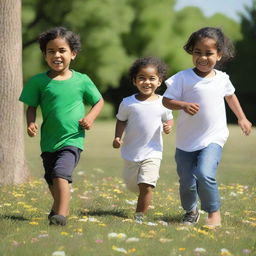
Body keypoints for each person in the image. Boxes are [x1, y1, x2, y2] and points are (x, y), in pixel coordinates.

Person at [162, 27, 252, 227]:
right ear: (191, 52)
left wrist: (242, 118)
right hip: (186, 141)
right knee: (187, 182)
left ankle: (213, 212)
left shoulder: (222, 79)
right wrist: (183, 105)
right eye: (197, 52)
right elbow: (166, 101)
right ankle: (190, 210)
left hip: (214, 137)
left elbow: (230, 96)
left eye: (209, 53)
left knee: (205, 173)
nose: (202, 57)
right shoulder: (182, 78)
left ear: (219, 55)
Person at [19, 27, 104, 226]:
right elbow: (31, 107)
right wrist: (31, 122)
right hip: (49, 141)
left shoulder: (82, 80)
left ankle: (61, 216)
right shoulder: (38, 82)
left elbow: (98, 101)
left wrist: (90, 118)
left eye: (62, 50)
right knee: (51, 178)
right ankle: (58, 206)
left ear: (73, 54)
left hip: (72, 139)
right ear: (44, 55)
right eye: (51, 51)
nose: (56, 55)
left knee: (60, 174)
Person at [113, 56, 173, 223]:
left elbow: (168, 118)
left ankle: (139, 217)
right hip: (131, 152)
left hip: (153, 152)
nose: (147, 82)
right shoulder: (128, 103)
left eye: (152, 78)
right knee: (133, 185)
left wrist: (168, 126)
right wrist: (117, 137)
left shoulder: (164, 102)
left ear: (159, 81)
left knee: (146, 185)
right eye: (142, 78)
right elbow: (121, 120)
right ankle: (139, 192)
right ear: (134, 81)